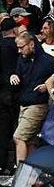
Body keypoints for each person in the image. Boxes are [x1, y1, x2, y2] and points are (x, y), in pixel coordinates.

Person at [2, 32, 54, 187]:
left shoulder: (49, 62)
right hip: (23, 104)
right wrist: (13, 75)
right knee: (30, 142)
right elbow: (16, 72)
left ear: (31, 44)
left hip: (37, 105)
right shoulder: (22, 59)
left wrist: (48, 85)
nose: (19, 51)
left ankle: (20, 177)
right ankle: (32, 178)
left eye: (21, 47)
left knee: (19, 137)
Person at [0, 18, 18, 175]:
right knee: (17, 132)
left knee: (3, 131)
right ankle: (13, 165)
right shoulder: (17, 47)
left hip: (2, 93)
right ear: (15, 30)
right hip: (15, 94)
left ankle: (2, 164)